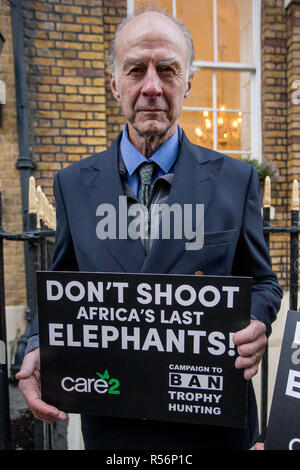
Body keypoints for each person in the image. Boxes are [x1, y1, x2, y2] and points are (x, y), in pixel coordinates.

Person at [16, 3, 282, 450]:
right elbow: (63, 288)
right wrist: (39, 343)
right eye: (136, 69)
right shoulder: (72, 185)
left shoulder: (237, 180)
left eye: (168, 70)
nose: (152, 87)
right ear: (114, 83)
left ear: (189, 83)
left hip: (212, 419)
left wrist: (256, 321)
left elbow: (264, 284)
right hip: (116, 424)